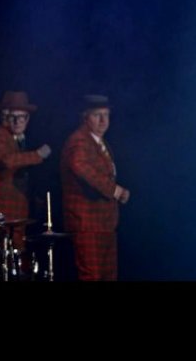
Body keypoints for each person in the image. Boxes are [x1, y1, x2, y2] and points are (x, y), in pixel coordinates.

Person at [61, 94, 130, 281]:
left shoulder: (100, 142)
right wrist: (114, 190)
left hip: (105, 223)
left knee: (108, 276)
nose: (103, 120)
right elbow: (80, 167)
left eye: (106, 115)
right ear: (85, 117)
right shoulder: (79, 141)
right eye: (97, 115)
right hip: (87, 223)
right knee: (91, 276)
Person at [0, 91, 52, 250]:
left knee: (18, 255)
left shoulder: (19, 138)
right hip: (1, 212)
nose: (17, 122)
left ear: (28, 119)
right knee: (2, 256)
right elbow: (6, 160)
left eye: (22, 117)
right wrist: (37, 155)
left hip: (17, 212)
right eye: (12, 117)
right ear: (4, 117)